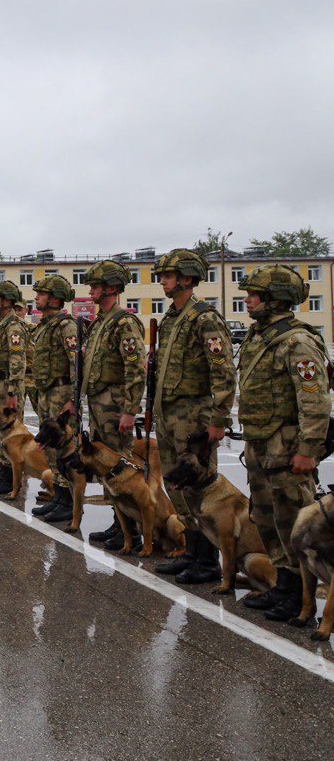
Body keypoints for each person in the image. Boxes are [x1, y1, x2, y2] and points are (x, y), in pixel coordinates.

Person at [236, 264, 330, 620]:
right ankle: (283, 586)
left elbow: (315, 400)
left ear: (275, 299)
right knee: (265, 518)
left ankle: (302, 598)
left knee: (294, 523)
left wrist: (308, 450)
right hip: (259, 441)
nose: (248, 300)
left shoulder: (298, 341)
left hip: (286, 445)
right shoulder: (259, 337)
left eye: (254, 295)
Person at [150, 249, 236, 585]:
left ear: (186, 278)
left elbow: (224, 372)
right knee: (177, 485)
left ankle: (209, 561)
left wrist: (218, 418)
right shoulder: (172, 317)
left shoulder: (205, 317)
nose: (162, 281)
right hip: (168, 412)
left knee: (199, 485)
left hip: (193, 413)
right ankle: (192, 552)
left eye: (168, 276)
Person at [80, 261, 148, 550]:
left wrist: (131, 409)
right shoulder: (100, 323)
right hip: (98, 403)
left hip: (115, 403)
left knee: (121, 467)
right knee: (107, 469)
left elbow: (136, 368)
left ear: (110, 288)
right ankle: (119, 523)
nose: (91, 290)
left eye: (96, 285)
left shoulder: (124, 322)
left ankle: (131, 530)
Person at [26, 274, 78, 523]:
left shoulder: (66, 326)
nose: (36, 297)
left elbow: (75, 363)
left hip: (61, 392)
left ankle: (68, 501)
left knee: (65, 449)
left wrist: (73, 399)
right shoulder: (45, 325)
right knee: (50, 448)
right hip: (45, 392)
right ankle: (59, 496)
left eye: (41, 293)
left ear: (55, 298)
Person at [0, 281, 30, 494]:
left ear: (7, 301)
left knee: (10, 436)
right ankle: (4, 472)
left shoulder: (13, 325)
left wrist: (13, 391)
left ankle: (11, 478)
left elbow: (17, 359)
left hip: (6, 385)